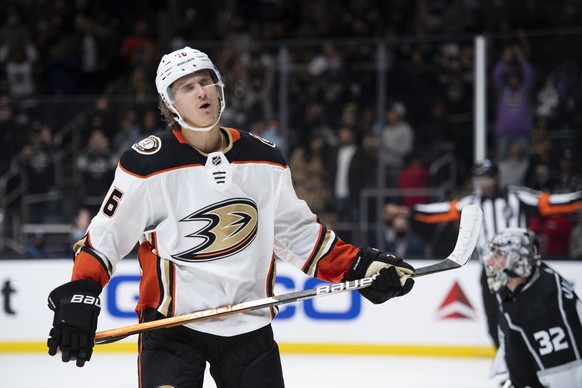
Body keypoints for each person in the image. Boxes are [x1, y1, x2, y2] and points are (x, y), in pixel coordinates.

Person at [46, 47, 416, 387]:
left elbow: (298, 234)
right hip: (172, 329)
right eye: (186, 87)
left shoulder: (264, 158)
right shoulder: (147, 164)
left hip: (249, 327)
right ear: (169, 102)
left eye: (207, 81)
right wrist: (81, 293)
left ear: (221, 88)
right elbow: (106, 237)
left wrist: (361, 267)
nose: (201, 91)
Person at [393, 159, 582, 347]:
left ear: (497, 177)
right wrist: (409, 211)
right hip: (490, 269)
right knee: (494, 322)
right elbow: (442, 211)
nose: (484, 184)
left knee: (527, 315)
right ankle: (508, 365)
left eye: (487, 178)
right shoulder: (472, 203)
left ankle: (529, 359)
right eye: (480, 179)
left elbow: (552, 203)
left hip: (519, 267)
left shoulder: (518, 197)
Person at [484, 228, 582, 387]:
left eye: (498, 256)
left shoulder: (542, 312)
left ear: (517, 261)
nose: (490, 262)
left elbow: (567, 378)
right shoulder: (523, 282)